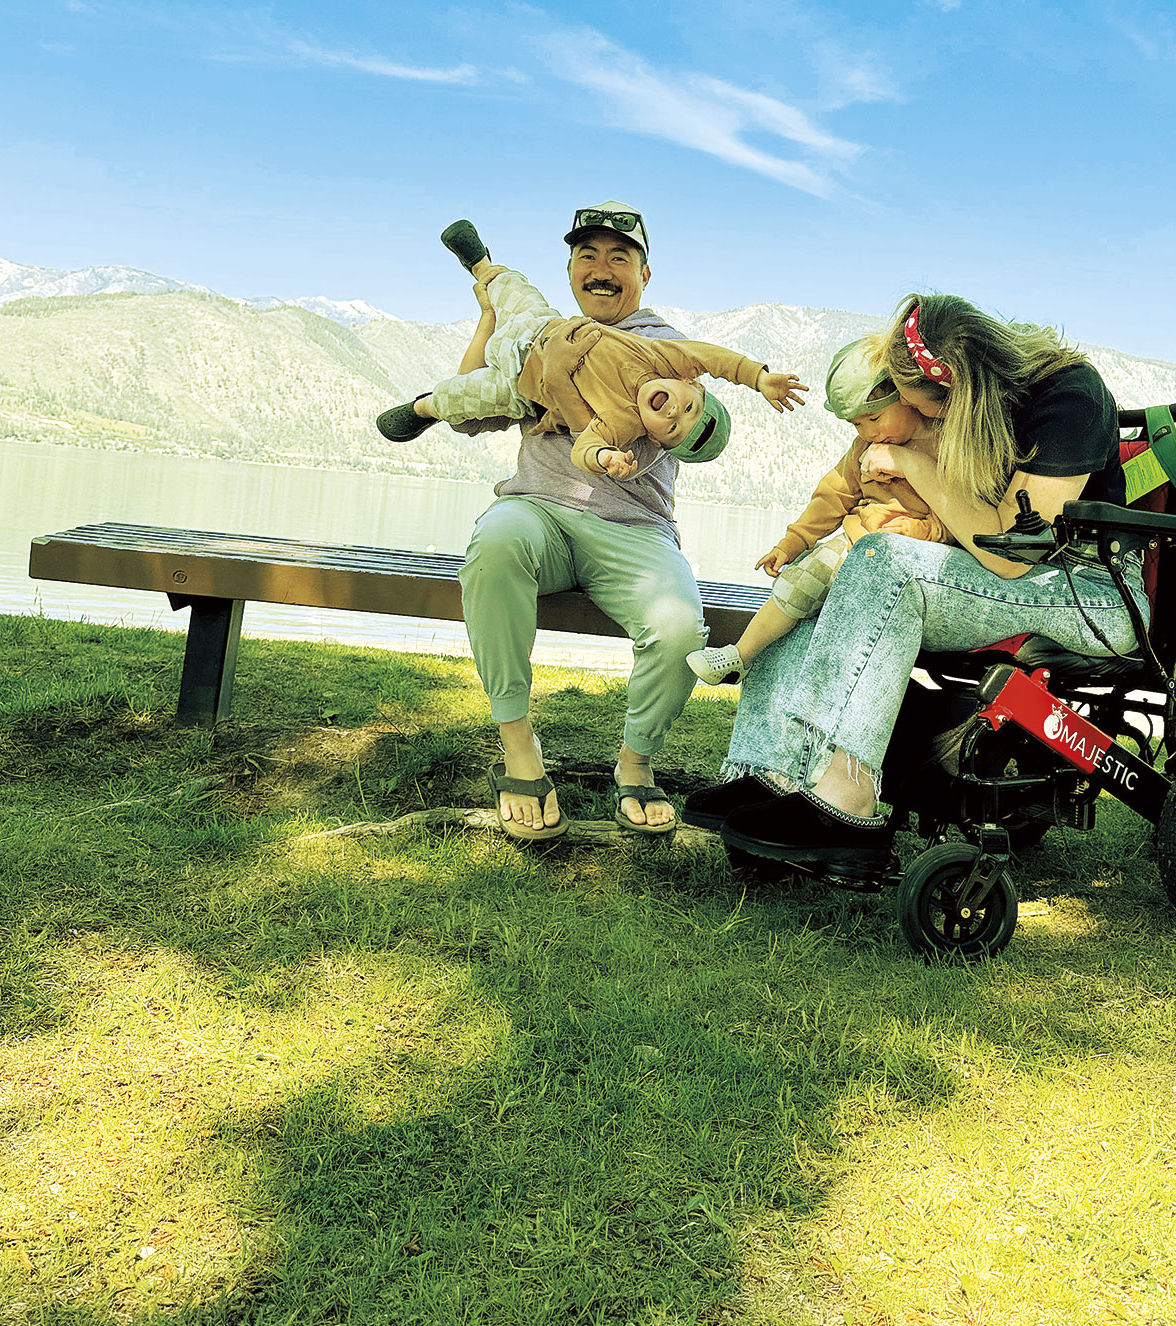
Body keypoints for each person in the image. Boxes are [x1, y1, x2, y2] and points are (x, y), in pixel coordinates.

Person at [681, 291, 1148, 880]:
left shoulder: (1069, 397)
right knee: (823, 577)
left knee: (882, 562)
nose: (906, 413)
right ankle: (770, 771)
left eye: (910, 400)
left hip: (1088, 594)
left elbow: (1010, 554)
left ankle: (846, 801)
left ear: (952, 386)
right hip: (1005, 578)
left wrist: (912, 466)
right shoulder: (971, 410)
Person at [382, 202, 771, 846]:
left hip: (633, 531)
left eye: (620, 257)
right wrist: (491, 317)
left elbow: (681, 423)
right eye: (587, 256)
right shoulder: (549, 338)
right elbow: (471, 400)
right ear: (568, 272)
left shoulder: (654, 345)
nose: (601, 269)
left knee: (680, 628)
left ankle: (636, 762)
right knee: (495, 542)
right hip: (538, 511)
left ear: (645, 275)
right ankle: (518, 747)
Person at [376, 233, 805, 478]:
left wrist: (604, 458)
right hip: (538, 327)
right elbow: (715, 358)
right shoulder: (663, 358)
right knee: (513, 287)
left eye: (673, 428)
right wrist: (758, 377)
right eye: (688, 406)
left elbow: (586, 445)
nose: (674, 412)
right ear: (690, 382)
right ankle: (481, 263)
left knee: (462, 398)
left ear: (656, 441)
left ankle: (421, 407)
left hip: (519, 386)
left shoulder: (623, 423)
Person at [685, 336, 949, 685]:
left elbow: (963, 514)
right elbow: (833, 497)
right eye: (857, 425)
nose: (869, 432)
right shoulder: (864, 448)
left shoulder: (945, 446)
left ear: (905, 397)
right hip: (856, 545)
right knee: (799, 581)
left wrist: (926, 531)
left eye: (874, 418)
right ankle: (740, 655)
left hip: (914, 560)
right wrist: (792, 542)